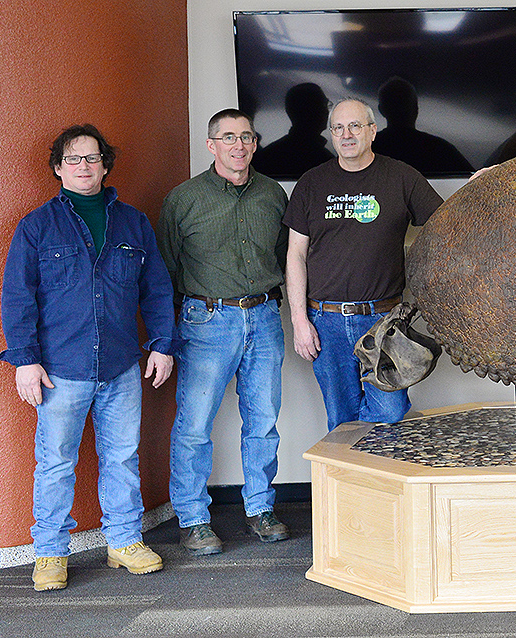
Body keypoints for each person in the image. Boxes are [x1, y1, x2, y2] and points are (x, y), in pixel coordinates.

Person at [0, 125, 176, 591]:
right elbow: (18, 298)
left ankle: (123, 541)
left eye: (92, 159)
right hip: (59, 370)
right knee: (55, 462)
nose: (84, 167)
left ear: (105, 165)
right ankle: (50, 553)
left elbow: (155, 289)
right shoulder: (36, 226)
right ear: (58, 168)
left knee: (122, 458)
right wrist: (25, 360)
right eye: (73, 160)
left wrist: (161, 343)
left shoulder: (134, 223)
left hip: (120, 366)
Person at [158, 109, 290, 555]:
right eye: (229, 137)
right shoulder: (184, 198)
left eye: (247, 137)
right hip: (207, 321)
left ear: (255, 144)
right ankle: (193, 519)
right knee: (194, 425)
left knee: (264, 420)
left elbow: (282, 254)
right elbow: (169, 266)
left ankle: (260, 508)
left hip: (265, 317)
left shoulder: (272, 194)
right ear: (211, 144)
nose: (240, 145)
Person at [285, 98, 444, 429]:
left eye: (355, 126)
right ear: (331, 134)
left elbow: (444, 222)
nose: (347, 135)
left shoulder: (402, 177)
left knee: (389, 413)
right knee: (341, 419)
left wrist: (475, 190)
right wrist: (299, 320)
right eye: (338, 127)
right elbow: (296, 254)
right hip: (325, 321)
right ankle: (351, 479)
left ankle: (372, 470)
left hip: (382, 320)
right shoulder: (311, 183)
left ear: (372, 131)